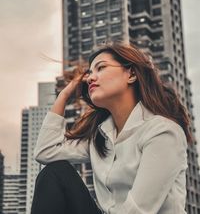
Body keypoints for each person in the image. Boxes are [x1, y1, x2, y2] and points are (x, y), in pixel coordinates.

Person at [31, 41, 192, 214]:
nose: (90, 78)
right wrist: (64, 94)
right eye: (89, 73)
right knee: (55, 173)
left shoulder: (162, 132)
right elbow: (45, 152)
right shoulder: (100, 138)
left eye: (101, 68)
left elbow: (138, 211)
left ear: (131, 74)